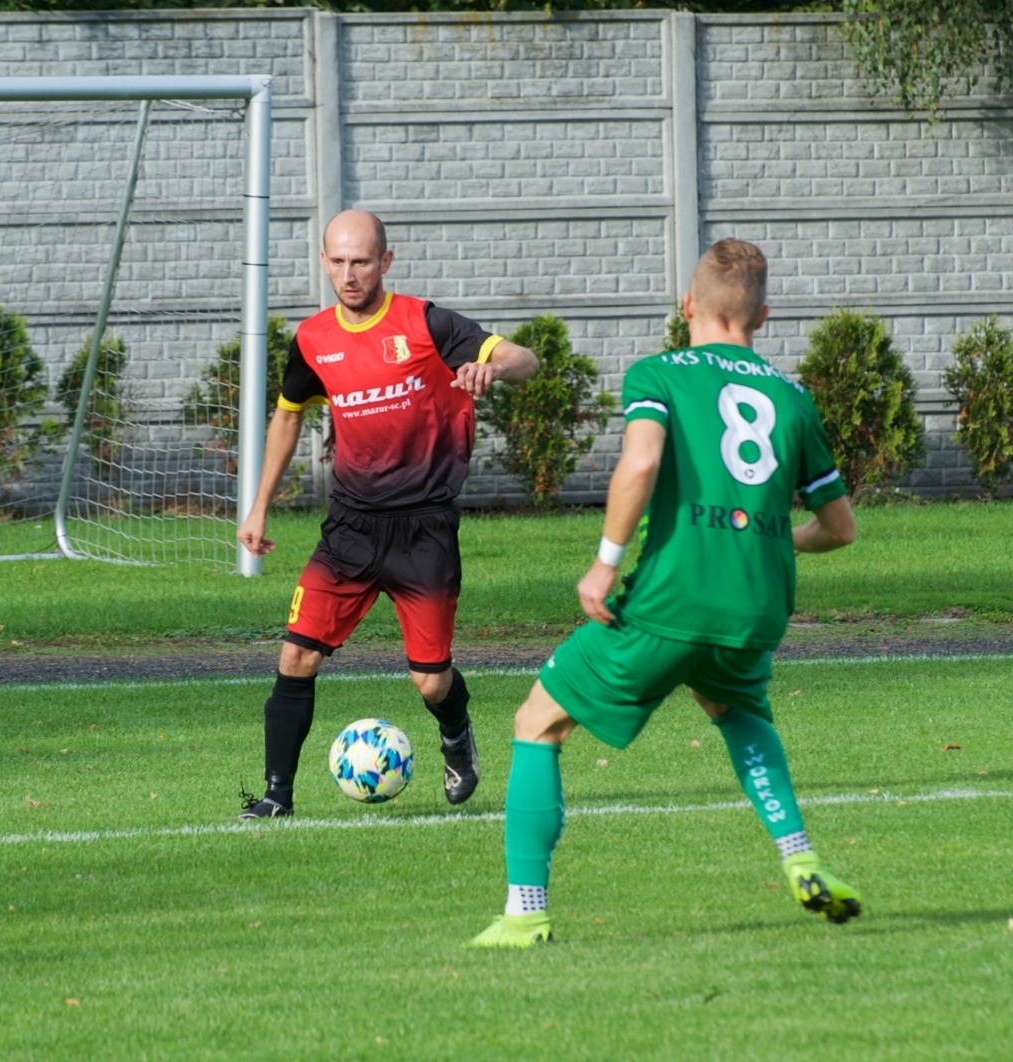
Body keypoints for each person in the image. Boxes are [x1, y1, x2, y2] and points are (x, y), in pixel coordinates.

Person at [470, 237, 860, 947]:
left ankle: (525, 912)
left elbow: (642, 462)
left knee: (538, 721)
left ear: (687, 306)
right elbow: (840, 528)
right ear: (763, 316)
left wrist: (605, 563)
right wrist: (773, 538)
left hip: (673, 597)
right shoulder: (793, 398)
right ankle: (801, 858)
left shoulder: (659, 374)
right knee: (738, 710)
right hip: (756, 605)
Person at [236, 209, 539, 819]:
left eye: (362, 262)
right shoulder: (313, 339)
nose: (349, 275)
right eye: (339, 262)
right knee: (296, 656)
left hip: (424, 530)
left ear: (385, 262)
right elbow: (289, 415)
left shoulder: (427, 323)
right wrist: (259, 506)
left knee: (430, 680)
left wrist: (492, 366)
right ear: (324, 263)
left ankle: (455, 733)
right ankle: (275, 797)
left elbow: (525, 359)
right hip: (349, 528)